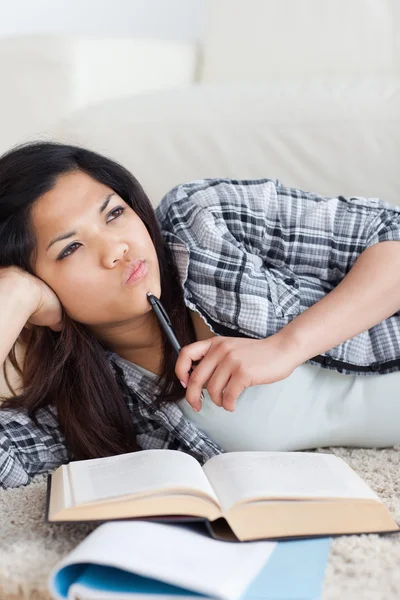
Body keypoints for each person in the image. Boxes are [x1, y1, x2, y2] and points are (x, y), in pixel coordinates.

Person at [1, 141, 400, 490]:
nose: (116, 249)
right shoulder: (89, 404)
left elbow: (391, 232)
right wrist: (14, 295)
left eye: (114, 214)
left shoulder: (203, 222)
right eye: (70, 249)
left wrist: (285, 347)